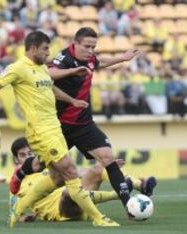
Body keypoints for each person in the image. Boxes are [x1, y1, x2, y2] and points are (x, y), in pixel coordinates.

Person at [0, 31, 118, 227]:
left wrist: (72, 100)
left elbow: (51, 88)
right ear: (33, 48)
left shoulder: (42, 68)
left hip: (54, 127)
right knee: (70, 170)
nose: (48, 53)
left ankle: (18, 207)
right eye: (45, 49)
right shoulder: (17, 68)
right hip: (41, 130)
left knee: (57, 177)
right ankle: (98, 218)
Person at [49, 27, 157, 217]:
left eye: (93, 46)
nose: (90, 50)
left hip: (84, 124)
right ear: (75, 43)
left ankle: (129, 207)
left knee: (108, 158)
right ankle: (21, 196)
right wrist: (73, 71)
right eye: (87, 46)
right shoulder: (63, 58)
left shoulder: (90, 58)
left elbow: (98, 62)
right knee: (50, 173)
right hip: (59, 126)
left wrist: (122, 58)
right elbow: (48, 74)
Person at [9, 137, 153, 223]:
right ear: (16, 159)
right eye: (23, 155)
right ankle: (118, 194)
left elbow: (77, 173)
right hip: (62, 211)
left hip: (80, 202)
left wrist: (108, 167)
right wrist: (23, 218)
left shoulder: (48, 166)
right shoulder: (16, 182)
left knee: (98, 168)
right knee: (69, 192)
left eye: (30, 153)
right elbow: (14, 210)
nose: (28, 157)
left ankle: (140, 185)